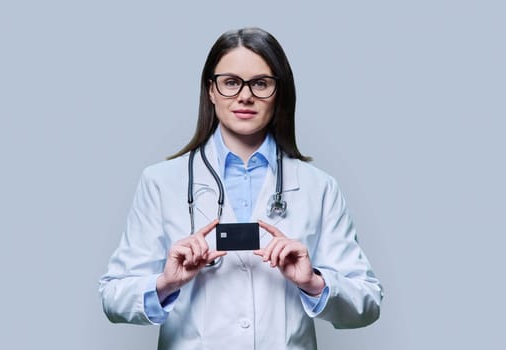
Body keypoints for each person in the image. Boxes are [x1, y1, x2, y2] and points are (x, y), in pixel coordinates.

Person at [99, 27, 383, 350]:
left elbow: (368, 301)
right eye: (231, 82)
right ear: (211, 90)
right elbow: (112, 296)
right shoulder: (161, 183)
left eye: (260, 83)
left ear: (280, 92)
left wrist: (313, 283)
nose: (245, 95)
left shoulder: (320, 188)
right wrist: (165, 284)